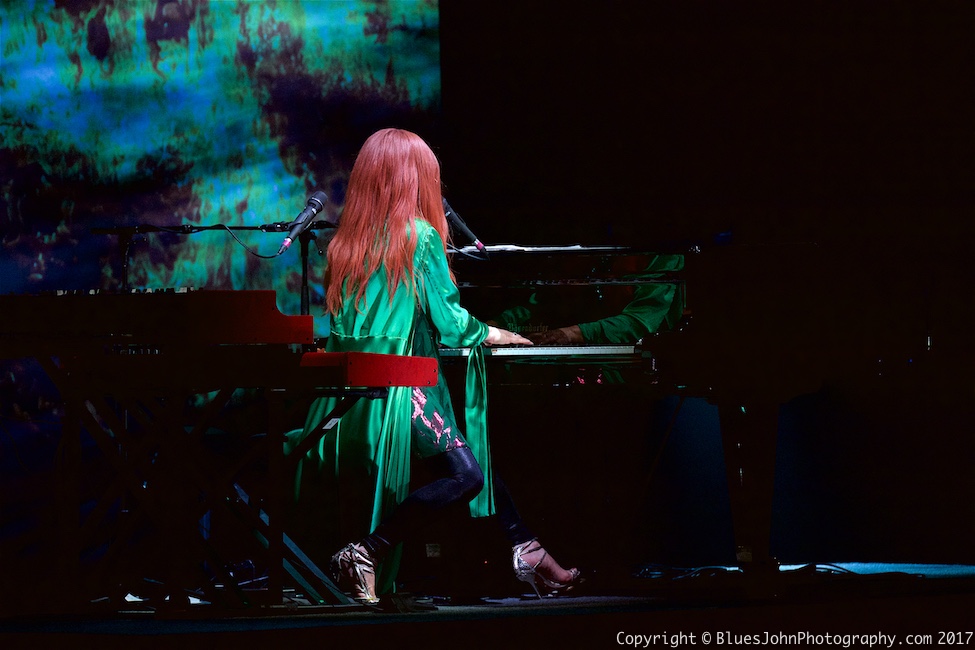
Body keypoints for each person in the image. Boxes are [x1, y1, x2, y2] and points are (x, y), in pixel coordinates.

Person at [288, 128, 582, 604]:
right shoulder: (419, 236)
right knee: (467, 475)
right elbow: (449, 322)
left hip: (353, 392)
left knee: (463, 459)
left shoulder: (345, 244)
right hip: (405, 386)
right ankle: (365, 552)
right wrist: (493, 332)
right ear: (412, 179)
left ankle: (524, 548)